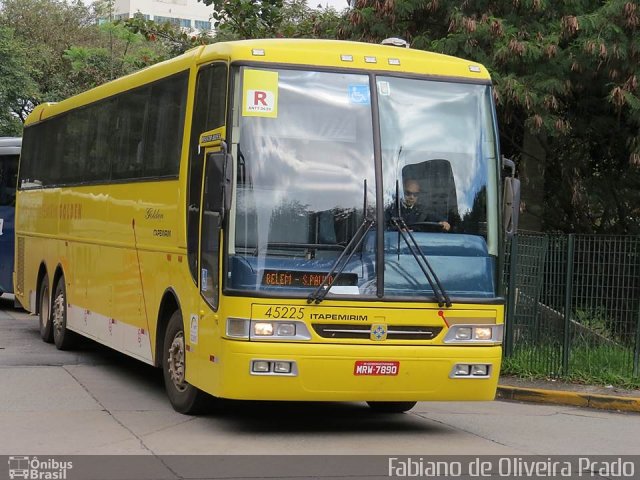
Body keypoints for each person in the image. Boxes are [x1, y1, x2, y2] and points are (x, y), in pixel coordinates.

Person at [386, 179, 451, 231]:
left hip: (418, 245)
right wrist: (398, 230)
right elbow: (383, 229)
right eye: (408, 193)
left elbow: (437, 219)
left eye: (415, 194)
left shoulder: (423, 211)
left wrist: (443, 223)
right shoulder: (391, 210)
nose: (412, 197)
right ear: (402, 192)